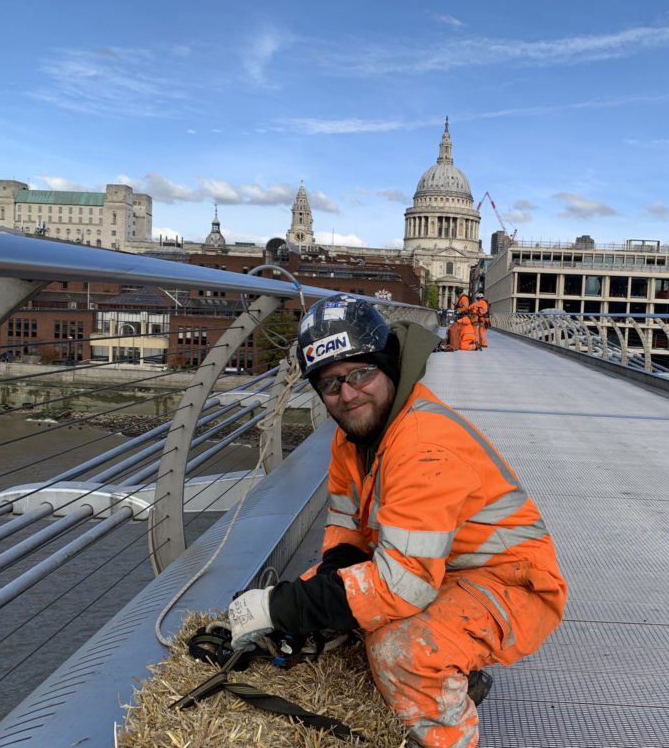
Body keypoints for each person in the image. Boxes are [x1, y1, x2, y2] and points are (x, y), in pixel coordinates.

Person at [228, 294, 566, 747]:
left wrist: (274, 607)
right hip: (442, 568)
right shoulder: (355, 437)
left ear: (387, 364)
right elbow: (346, 531)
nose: (347, 394)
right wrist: (308, 599)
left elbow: (404, 585)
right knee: (319, 592)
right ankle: (462, 673)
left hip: (510, 583)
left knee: (402, 649)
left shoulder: (424, 443)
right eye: (330, 385)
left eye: (360, 373)